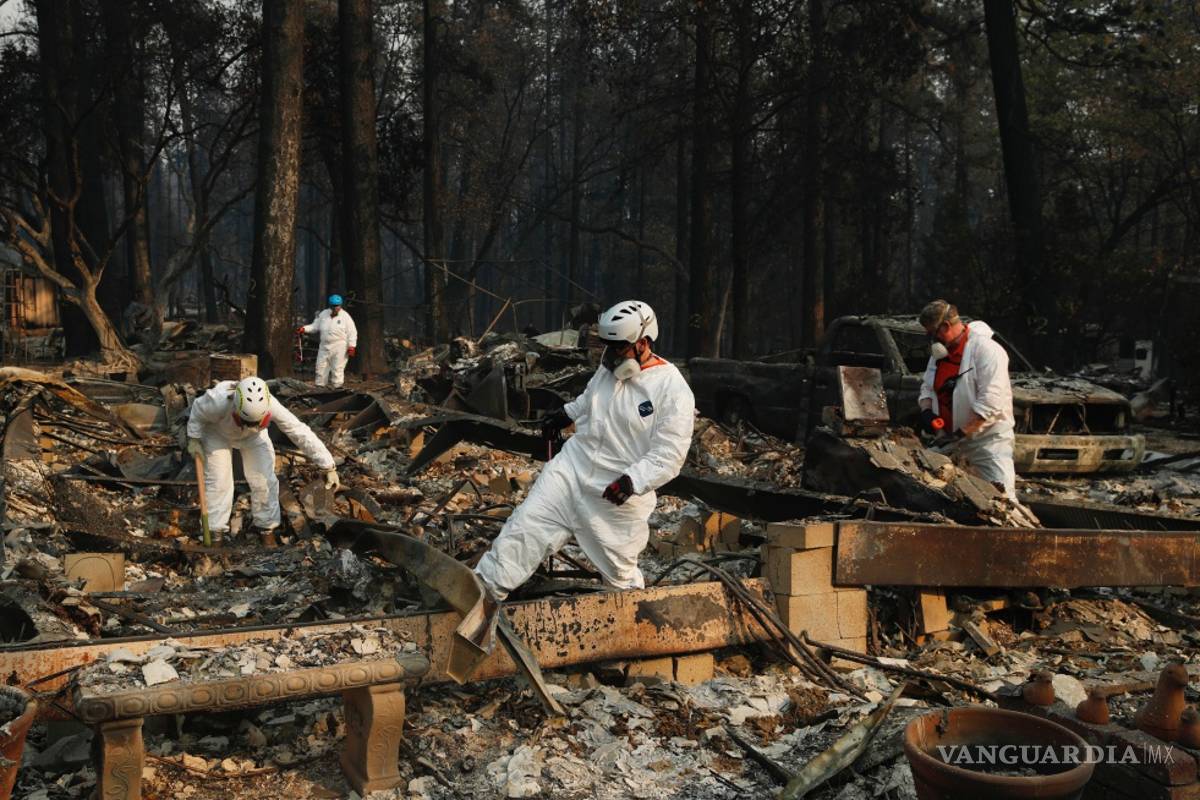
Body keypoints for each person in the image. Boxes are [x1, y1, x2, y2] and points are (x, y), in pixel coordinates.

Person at [475, 300, 695, 599]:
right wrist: (567, 414)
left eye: (618, 347)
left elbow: (670, 453)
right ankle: (479, 596)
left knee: (620, 577)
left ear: (643, 342)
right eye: (608, 346)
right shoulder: (609, 370)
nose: (610, 355)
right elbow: (590, 398)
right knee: (522, 532)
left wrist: (633, 481)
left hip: (615, 492)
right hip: (570, 470)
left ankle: (630, 626)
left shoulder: (672, 390)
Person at [186, 376, 339, 541]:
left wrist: (327, 465)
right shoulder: (217, 401)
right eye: (245, 421)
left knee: (265, 481)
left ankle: (267, 529)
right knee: (219, 482)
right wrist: (194, 438)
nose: (249, 425)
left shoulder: (271, 405)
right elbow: (197, 413)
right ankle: (215, 533)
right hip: (217, 434)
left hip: (254, 438)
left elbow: (298, 431)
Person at [917, 299, 1017, 498]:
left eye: (933, 333)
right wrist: (927, 412)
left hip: (987, 442)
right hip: (950, 439)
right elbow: (927, 388)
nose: (932, 339)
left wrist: (961, 433)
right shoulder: (939, 355)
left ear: (946, 326)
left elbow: (990, 403)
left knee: (1002, 498)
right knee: (932, 491)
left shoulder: (987, 351)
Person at [297, 294, 358, 388]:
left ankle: (337, 389)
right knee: (320, 368)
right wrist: (304, 329)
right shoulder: (323, 314)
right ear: (330, 305)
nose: (335, 308)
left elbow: (352, 332)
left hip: (340, 346)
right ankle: (319, 388)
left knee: (337, 369)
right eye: (333, 306)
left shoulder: (345, 317)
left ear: (340, 305)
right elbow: (315, 326)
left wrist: (352, 346)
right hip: (324, 346)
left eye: (337, 305)